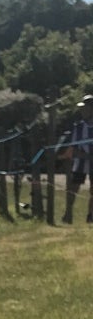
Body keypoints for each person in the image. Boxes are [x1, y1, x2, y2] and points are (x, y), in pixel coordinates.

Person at [60, 94, 93, 224]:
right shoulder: (79, 127)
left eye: (85, 108)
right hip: (81, 162)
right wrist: (83, 155)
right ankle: (68, 214)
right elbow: (73, 147)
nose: (82, 111)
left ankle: (91, 216)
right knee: (73, 188)